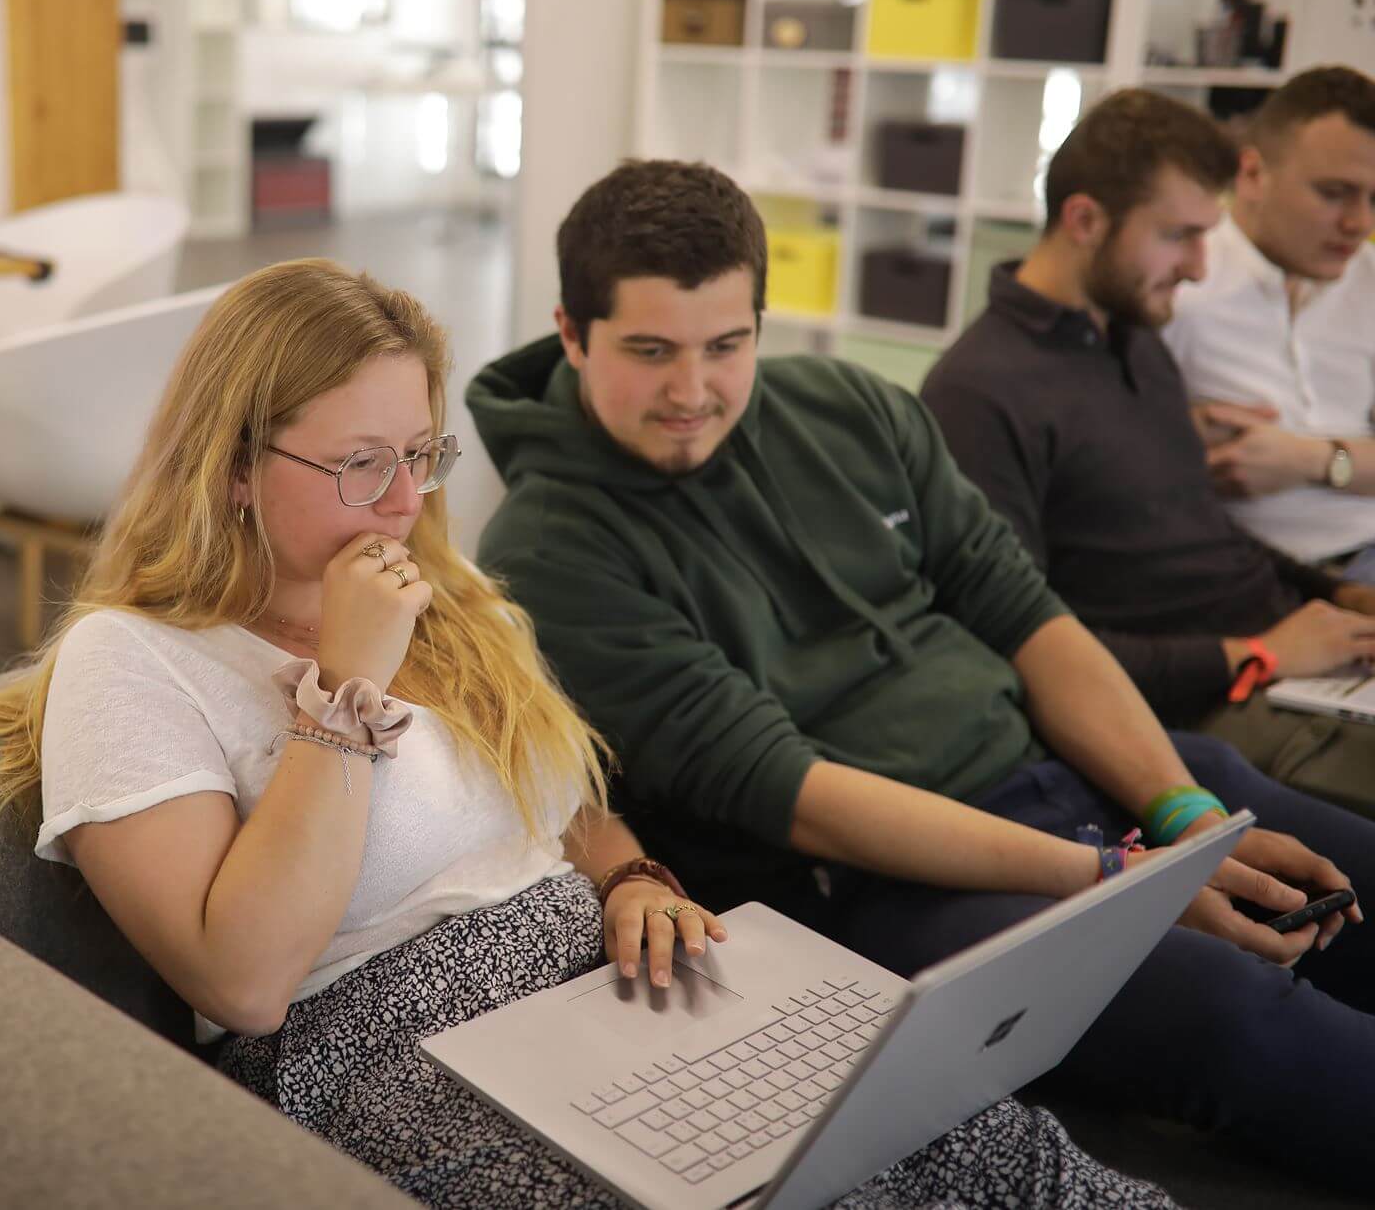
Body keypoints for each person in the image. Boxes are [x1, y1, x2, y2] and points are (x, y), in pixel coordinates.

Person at [0, 258, 1177, 1208]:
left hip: (596, 984)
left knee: (963, 1134)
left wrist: (628, 874)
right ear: (233, 464)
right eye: (359, 463)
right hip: (380, 1046)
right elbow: (240, 981)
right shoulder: (132, 661)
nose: (404, 502)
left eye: (420, 452)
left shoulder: (441, 598)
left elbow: (560, 802)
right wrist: (344, 694)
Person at [467, 160, 1375, 1188]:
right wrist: (1115, 883)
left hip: (1066, 779)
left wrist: (1175, 811)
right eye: (648, 351)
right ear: (570, 330)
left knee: (1351, 876)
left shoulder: (845, 405)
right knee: (1239, 1015)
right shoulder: (549, 550)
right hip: (883, 887)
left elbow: (1022, 613)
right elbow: (788, 792)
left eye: (727, 346)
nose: (690, 391)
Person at [921, 88, 1375, 818]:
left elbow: (1203, 532)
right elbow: (1020, 647)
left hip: (1288, 656)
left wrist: (1341, 598)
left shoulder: (1135, 341)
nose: (1199, 267)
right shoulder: (978, 394)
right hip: (1208, 700)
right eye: (1179, 236)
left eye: (1207, 235)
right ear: (1085, 220)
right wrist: (1260, 651)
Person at [1162, 67, 1375, 577]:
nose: (1360, 223)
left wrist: (1311, 460)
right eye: (1333, 193)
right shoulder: (1179, 282)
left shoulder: (1368, 280)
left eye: (1373, 199)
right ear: (1252, 175)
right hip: (1244, 571)